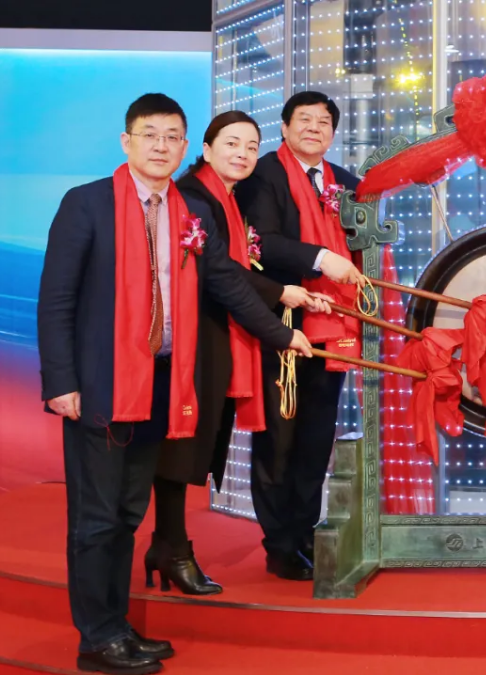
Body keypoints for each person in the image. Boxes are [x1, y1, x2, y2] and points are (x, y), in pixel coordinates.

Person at [38, 94, 314, 674]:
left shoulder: (189, 215)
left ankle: (116, 627)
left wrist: (281, 335)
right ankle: (97, 640)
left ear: (185, 146)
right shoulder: (86, 203)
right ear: (127, 142)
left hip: (162, 385)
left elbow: (228, 282)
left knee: (126, 514)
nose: (161, 146)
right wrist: (61, 381)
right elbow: (57, 299)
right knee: (96, 518)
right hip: (101, 386)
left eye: (171, 137)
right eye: (150, 135)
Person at [146, 111, 333, 595]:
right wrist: (279, 314)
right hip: (194, 339)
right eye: (232, 143)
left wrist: (283, 294)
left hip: (217, 334)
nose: (243, 154)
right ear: (206, 149)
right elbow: (220, 273)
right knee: (180, 444)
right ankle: (171, 547)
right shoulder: (195, 199)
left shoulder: (224, 198)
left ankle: (167, 544)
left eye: (251, 146)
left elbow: (230, 269)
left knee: (191, 444)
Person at [235, 90, 364, 581]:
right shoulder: (264, 174)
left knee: (316, 437)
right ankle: (279, 543)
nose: (314, 127)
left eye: (324, 121)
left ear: (333, 133)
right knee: (279, 437)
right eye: (304, 119)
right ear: (285, 128)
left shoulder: (345, 183)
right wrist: (321, 258)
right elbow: (260, 243)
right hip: (281, 322)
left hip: (334, 325)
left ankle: (306, 531)